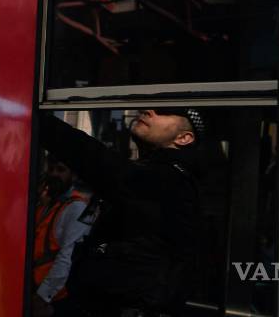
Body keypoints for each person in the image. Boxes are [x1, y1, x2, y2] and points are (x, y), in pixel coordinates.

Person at [38, 108, 205, 316]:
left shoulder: (170, 180)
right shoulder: (157, 173)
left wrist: (38, 121)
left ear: (184, 138)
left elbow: (96, 160)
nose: (148, 111)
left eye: (164, 112)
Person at [30, 156, 92, 317]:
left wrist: (42, 298)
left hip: (54, 300)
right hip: (37, 291)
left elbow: (67, 258)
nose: (54, 174)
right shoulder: (49, 204)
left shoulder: (76, 208)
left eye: (61, 170)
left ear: (74, 175)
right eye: (51, 169)